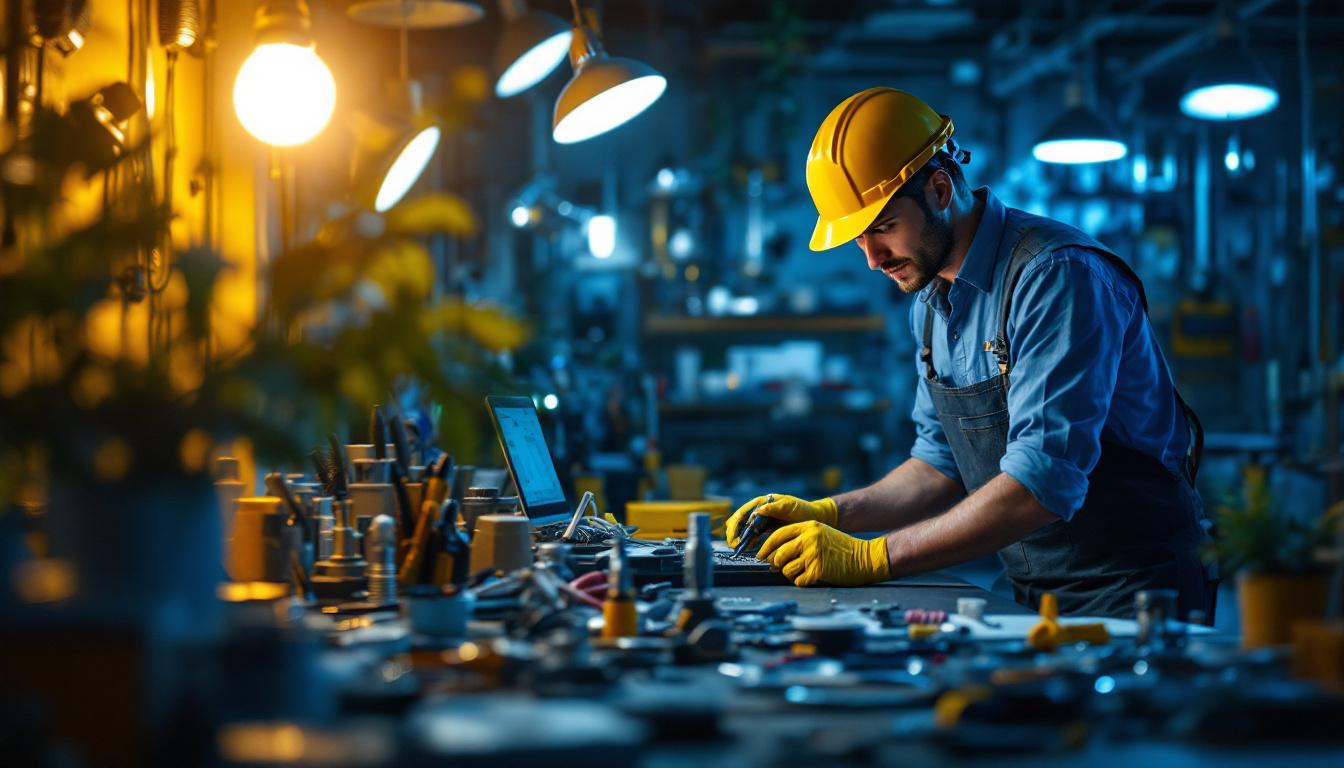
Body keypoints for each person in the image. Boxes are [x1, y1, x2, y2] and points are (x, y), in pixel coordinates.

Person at [728, 87, 1215, 619]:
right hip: (1036, 590)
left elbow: (1042, 485)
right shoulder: (932, 300)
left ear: (940, 189)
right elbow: (940, 465)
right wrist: (833, 513)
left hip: (1136, 589)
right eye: (858, 239)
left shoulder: (1055, 277)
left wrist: (873, 557)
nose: (872, 259)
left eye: (884, 229)